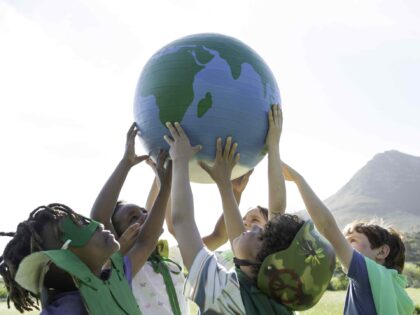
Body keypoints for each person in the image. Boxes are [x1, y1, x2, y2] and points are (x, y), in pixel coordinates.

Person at [165, 104, 335, 314]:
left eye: (262, 236)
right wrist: (226, 187)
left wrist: (179, 161)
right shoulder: (276, 301)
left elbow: (182, 222)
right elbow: (251, 236)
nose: (254, 228)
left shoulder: (223, 293)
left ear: (265, 268)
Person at [90, 122, 235, 315]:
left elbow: (218, 236)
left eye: (144, 212)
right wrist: (126, 163)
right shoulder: (121, 265)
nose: (145, 216)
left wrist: (233, 191)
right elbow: (100, 217)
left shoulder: (171, 260)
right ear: (116, 236)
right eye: (133, 218)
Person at [281, 163, 415, 315]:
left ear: (382, 252)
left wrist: (299, 180)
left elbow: (326, 227)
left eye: (352, 240)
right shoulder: (394, 289)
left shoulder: (367, 274)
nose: (343, 245)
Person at [0, 203, 141, 314]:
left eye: (83, 221)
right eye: (77, 227)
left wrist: (164, 184)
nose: (97, 225)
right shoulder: (66, 311)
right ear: (60, 265)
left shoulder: (117, 279)